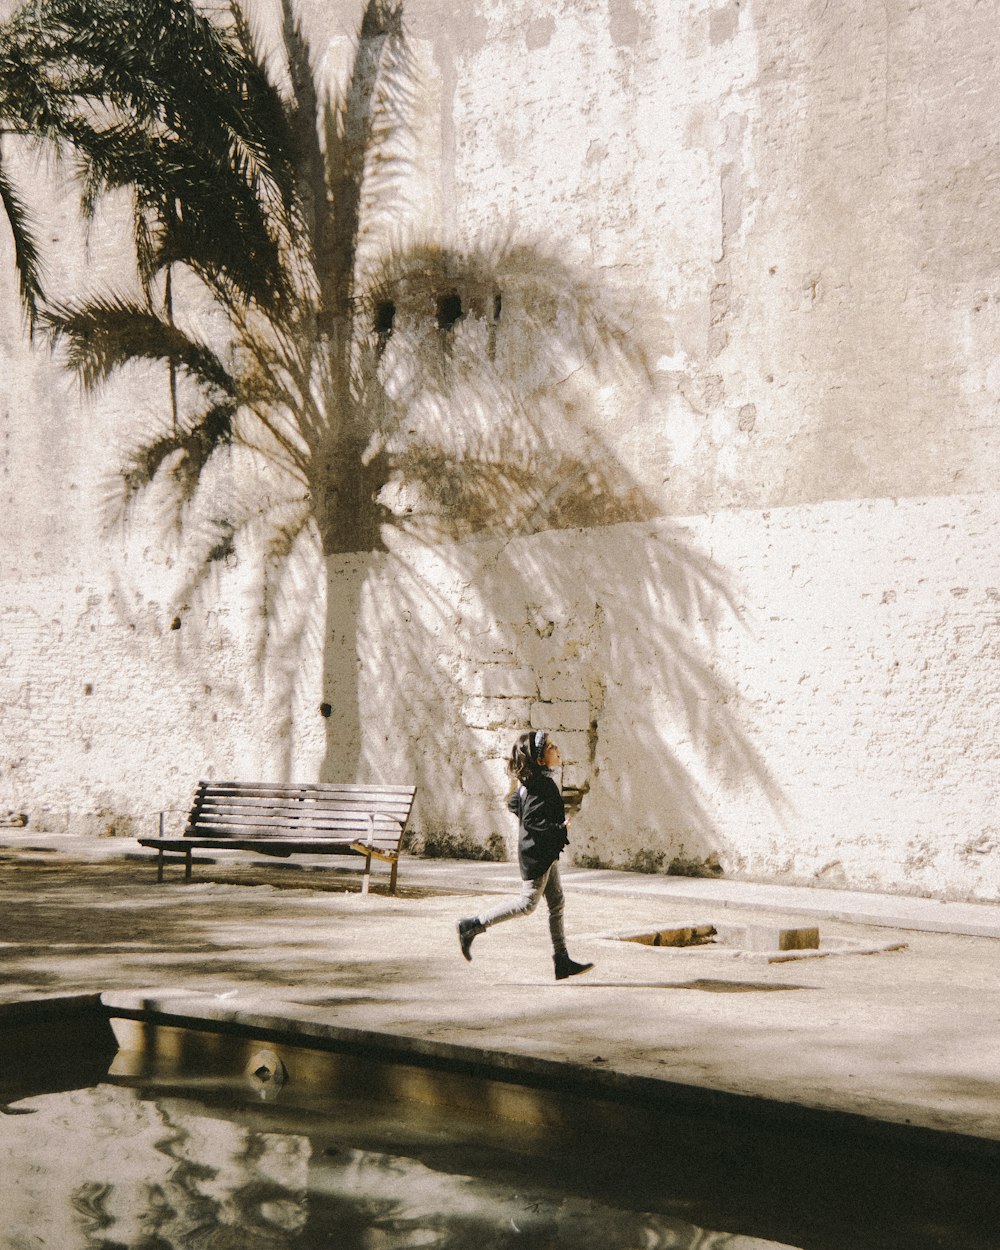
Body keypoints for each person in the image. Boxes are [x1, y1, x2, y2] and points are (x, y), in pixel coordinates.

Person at [456, 730, 594, 981]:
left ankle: (562, 960)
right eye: (551, 747)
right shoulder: (538, 785)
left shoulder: (536, 782)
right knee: (527, 904)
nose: (557, 749)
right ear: (540, 759)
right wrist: (560, 829)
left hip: (544, 854)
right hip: (536, 856)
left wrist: (523, 793)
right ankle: (472, 925)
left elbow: (514, 805)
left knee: (557, 902)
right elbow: (532, 821)